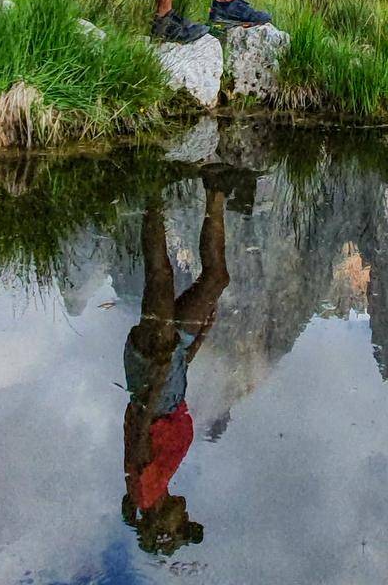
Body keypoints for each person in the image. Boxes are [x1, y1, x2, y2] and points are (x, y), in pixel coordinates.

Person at [121, 175, 236, 556]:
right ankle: (217, 190)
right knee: (216, 280)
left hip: (154, 371)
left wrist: (156, 378)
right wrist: (197, 340)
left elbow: (140, 434)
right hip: (170, 369)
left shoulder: (145, 492)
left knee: (160, 277)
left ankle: (152, 190)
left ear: (160, 525)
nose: (185, 517)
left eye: (180, 526)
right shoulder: (159, 487)